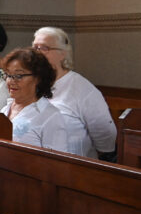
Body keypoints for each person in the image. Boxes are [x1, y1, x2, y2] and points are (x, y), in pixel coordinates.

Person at [32, 27, 116, 159]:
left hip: (74, 167)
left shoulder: (82, 88)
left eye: (45, 48)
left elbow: (106, 136)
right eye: (35, 48)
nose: (38, 53)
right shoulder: (31, 83)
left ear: (62, 53)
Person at [0, 48, 68, 152]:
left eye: (18, 75)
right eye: (8, 75)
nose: (11, 81)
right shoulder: (5, 109)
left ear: (38, 78)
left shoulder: (50, 116)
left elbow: (57, 164)